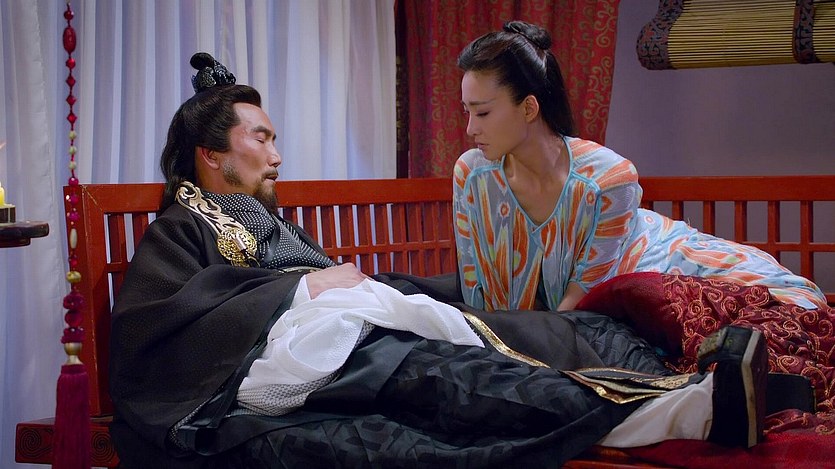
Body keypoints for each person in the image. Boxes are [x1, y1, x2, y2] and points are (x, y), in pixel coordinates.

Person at [109, 52, 767, 469]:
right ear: (210, 154)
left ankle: (693, 393)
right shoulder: (181, 228)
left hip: (338, 336)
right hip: (288, 356)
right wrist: (301, 288)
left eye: (275, 138)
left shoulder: (271, 224)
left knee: (478, 364)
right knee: (456, 383)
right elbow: (154, 326)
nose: (277, 155)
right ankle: (696, 406)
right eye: (260, 138)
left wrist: (337, 286)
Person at [452, 21, 828, 313]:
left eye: (482, 113)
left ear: (529, 108)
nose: (470, 129)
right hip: (589, 315)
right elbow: (477, 289)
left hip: (657, 267)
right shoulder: (472, 176)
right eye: (467, 111)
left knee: (792, 306)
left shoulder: (608, 178)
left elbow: (579, 302)